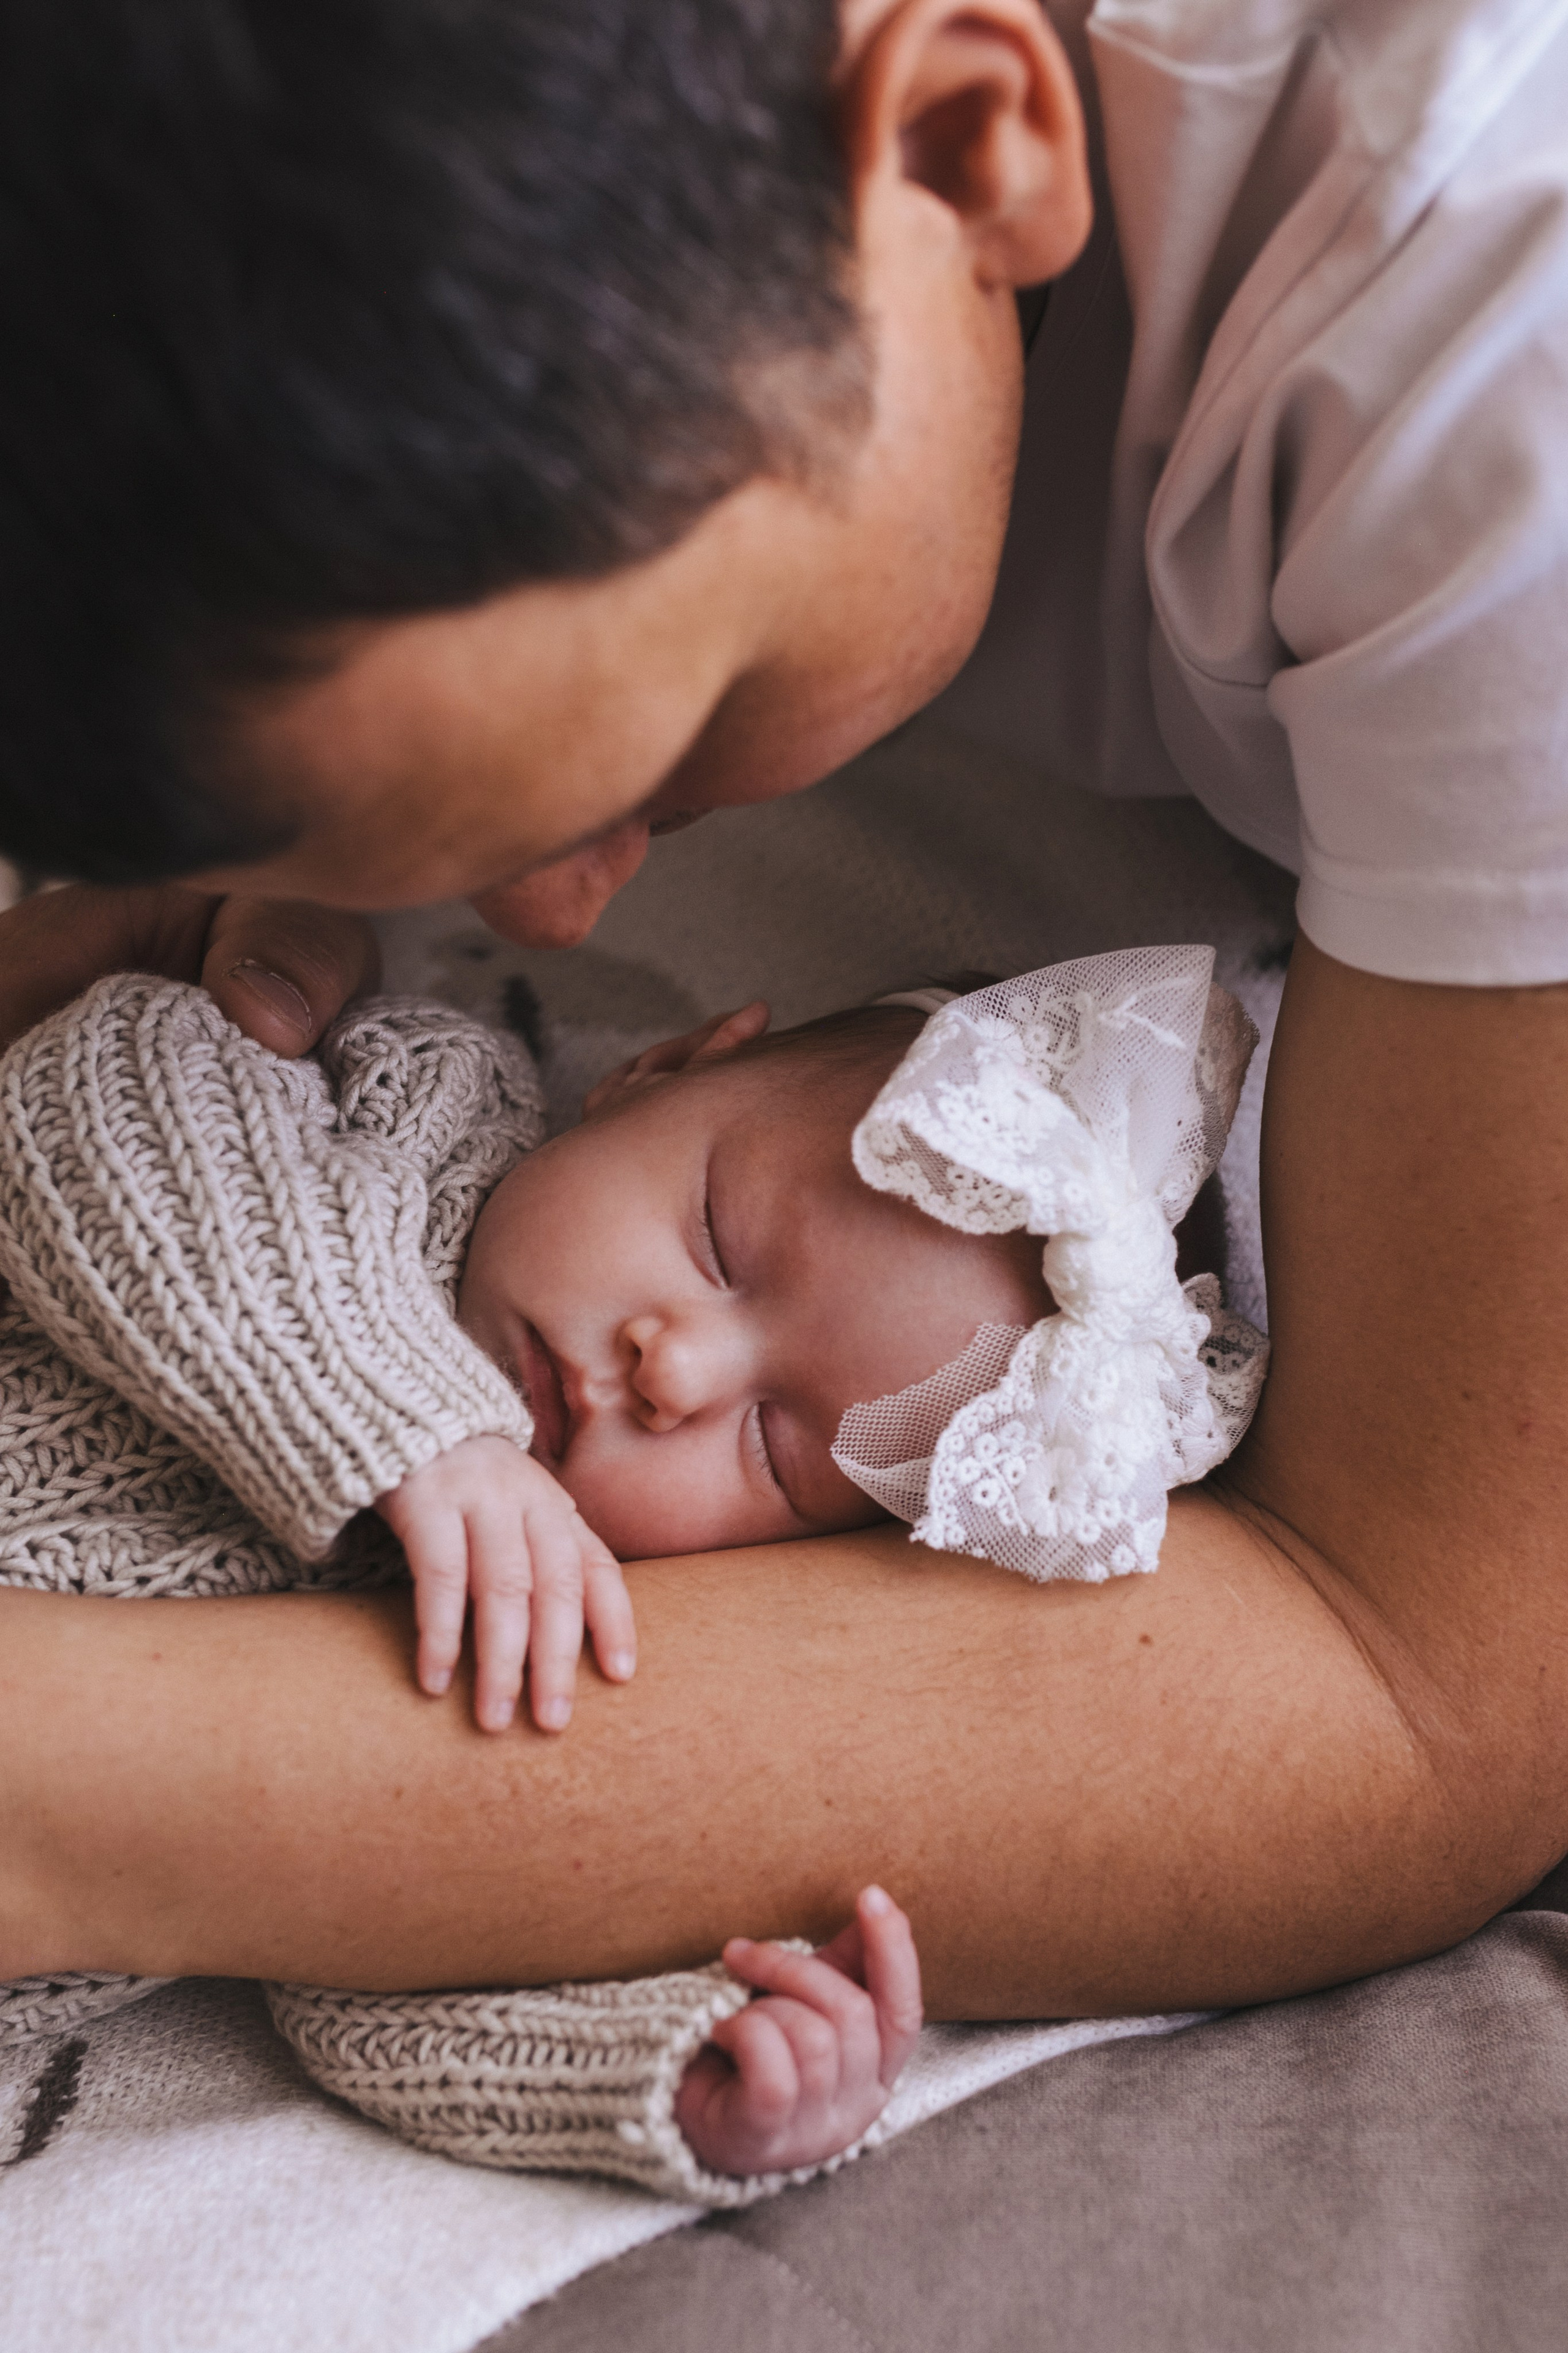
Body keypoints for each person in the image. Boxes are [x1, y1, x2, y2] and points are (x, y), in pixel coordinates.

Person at [3, 0, 1568, 2033]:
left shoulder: (1490, 326)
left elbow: (1422, 1682)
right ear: (683, 1062)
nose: (554, 910)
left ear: (960, 138)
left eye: (646, 759)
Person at [0, 948, 1253, 2188]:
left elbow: (375, 1951)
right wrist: (409, 1425)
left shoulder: (568, 1629)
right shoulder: (433, 1112)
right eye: (717, 1241)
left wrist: (674, 2066)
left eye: (774, 1451)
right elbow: (96, 1090)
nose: (676, 1372)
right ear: (660, 1070)